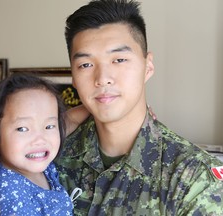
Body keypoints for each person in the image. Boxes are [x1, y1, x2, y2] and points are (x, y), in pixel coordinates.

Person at [54, 0, 223, 215]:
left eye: (119, 59)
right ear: (74, 77)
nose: (103, 78)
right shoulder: (49, 156)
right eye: (86, 65)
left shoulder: (194, 178)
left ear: (148, 66)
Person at [0, 72, 88, 215]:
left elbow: (69, 121)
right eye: (23, 129)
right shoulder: (10, 197)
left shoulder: (26, 163)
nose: (40, 139)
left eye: (49, 126)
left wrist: (96, 106)